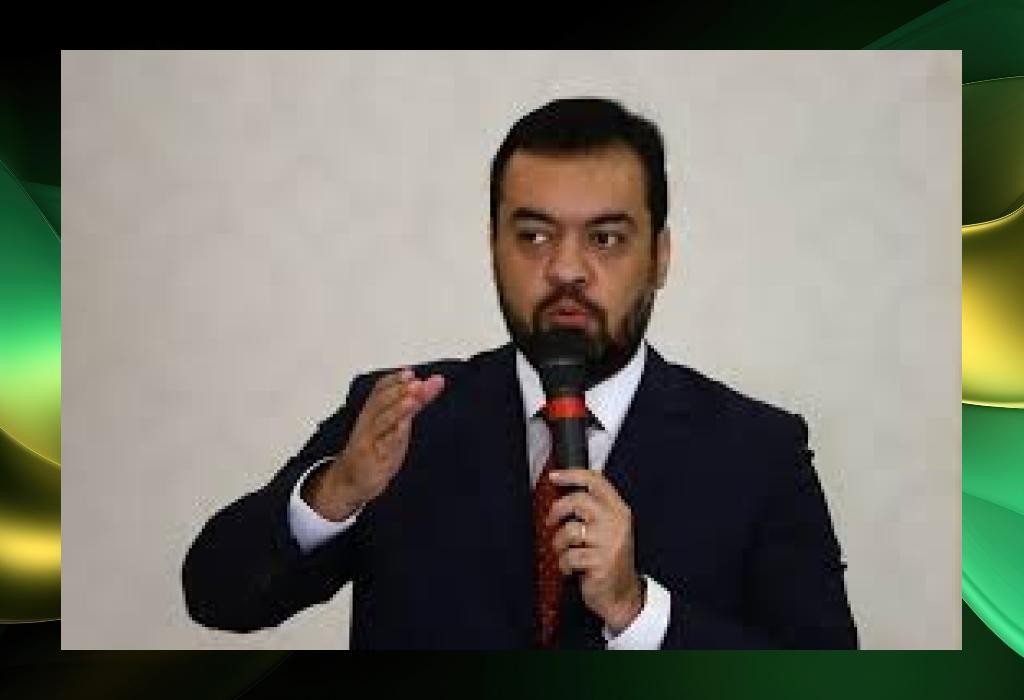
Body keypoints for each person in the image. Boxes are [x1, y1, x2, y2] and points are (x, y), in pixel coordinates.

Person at [181, 97, 858, 650]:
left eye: (606, 239)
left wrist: (636, 610)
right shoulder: (404, 415)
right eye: (533, 235)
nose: (565, 269)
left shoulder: (759, 452)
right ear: (493, 247)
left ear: (659, 257)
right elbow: (216, 596)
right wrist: (337, 492)